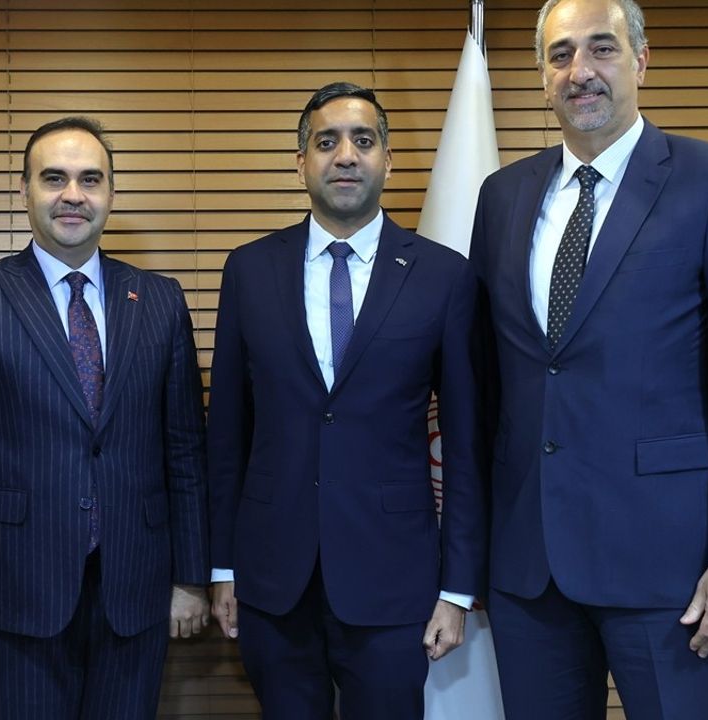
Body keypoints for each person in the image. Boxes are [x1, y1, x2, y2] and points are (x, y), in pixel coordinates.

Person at [470, 1, 708, 717]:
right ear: (542, 74)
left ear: (641, 61)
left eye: (602, 48)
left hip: (670, 569)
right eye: (560, 55)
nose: (580, 71)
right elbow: (490, 385)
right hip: (528, 568)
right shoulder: (502, 197)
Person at [0, 116, 210, 719]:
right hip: (17, 592)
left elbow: (185, 450)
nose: (73, 195)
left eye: (90, 179)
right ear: (25, 190)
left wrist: (191, 577)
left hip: (136, 591)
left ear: (110, 193)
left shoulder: (160, 300)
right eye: (54, 178)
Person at [207, 82, 486, 719]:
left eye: (363, 140)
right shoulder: (248, 271)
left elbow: (466, 446)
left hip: (394, 581)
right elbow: (226, 435)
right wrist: (222, 569)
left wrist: (457, 588)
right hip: (272, 582)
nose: (345, 155)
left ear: (388, 160)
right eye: (326, 141)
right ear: (301, 162)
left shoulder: (443, 276)